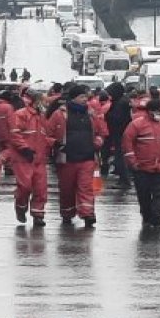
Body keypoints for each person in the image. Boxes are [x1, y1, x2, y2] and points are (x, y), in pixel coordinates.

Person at [47, 86, 107, 227]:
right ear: (73, 98)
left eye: (85, 96)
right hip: (66, 158)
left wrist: (98, 142)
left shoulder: (91, 113)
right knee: (67, 189)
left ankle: (87, 214)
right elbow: (47, 134)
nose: (85, 99)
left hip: (87, 157)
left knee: (85, 187)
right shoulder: (59, 114)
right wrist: (55, 144)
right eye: (81, 96)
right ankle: (67, 213)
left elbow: (101, 131)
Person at [123, 97, 160, 230]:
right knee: (144, 195)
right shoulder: (136, 125)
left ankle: (157, 220)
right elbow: (127, 143)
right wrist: (133, 161)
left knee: (159, 194)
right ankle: (147, 218)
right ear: (151, 111)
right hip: (141, 167)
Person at [10, 90, 52, 226]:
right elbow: (15, 134)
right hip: (24, 158)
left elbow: (47, 135)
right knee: (25, 187)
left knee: (40, 188)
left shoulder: (43, 116)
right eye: (41, 100)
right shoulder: (21, 114)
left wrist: (53, 145)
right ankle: (20, 208)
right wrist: (24, 148)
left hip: (39, 158)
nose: (44, 103)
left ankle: (38, 215)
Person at [102, 84, 132, 183]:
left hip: (120, 133)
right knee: (119, 156)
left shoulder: (120, 103)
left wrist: (107, 115)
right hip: (119, 132)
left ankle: (124, 180)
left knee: (120, 156)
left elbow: (117, 118)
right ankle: (123, 178)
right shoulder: (121, 101)